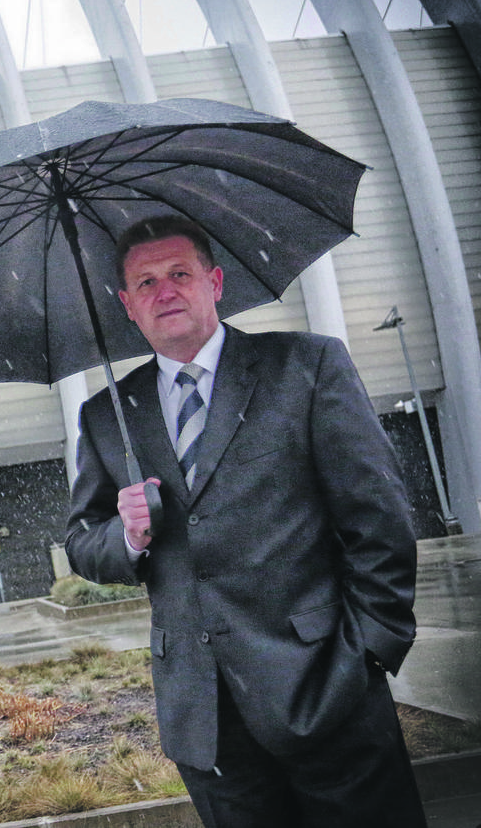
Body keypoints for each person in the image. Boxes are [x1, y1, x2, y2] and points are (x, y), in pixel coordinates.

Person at [64, 215, 424, 827]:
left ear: (215, 282)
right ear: (127, 305)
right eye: (146, 282)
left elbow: (379, 515)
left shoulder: (305, 365)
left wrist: (370, 650)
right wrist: (129, 535)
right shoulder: (107, 415)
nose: (164, 292)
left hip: (327, 689)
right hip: (205, 724)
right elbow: (81, 542)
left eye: (180, 274)